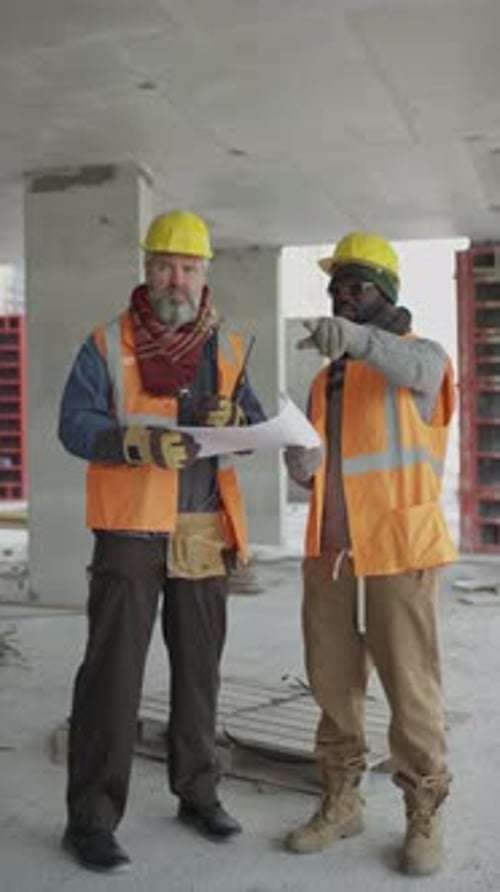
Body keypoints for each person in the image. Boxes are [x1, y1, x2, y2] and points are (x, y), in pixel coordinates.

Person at [58, 209, 266, 872]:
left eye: (188, 268)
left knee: (199, 674)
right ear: (147, 270)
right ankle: (90, 818)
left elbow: (254, 423)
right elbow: (73, 424)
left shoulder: (226, 350)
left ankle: (198, 795)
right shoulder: (106, 342)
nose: (176, 279)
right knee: (112, 677)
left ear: (205, 275)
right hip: (130, 528)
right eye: (165, 266)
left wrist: (241, 420)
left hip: (201, 530)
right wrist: (134, 441)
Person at [283, 231, 457, 877]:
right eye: (335, 287)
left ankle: (425, 808)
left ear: (385, 292)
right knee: (333, 685)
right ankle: (341, 799)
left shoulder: (421, 358)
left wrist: (357, 341)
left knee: (411, 691)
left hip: (399, 549)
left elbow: (418, 375)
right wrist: (297, 456)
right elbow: (313, 471)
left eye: (354, 285)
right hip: (329, 552)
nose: (340, 297)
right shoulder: (326, 380)